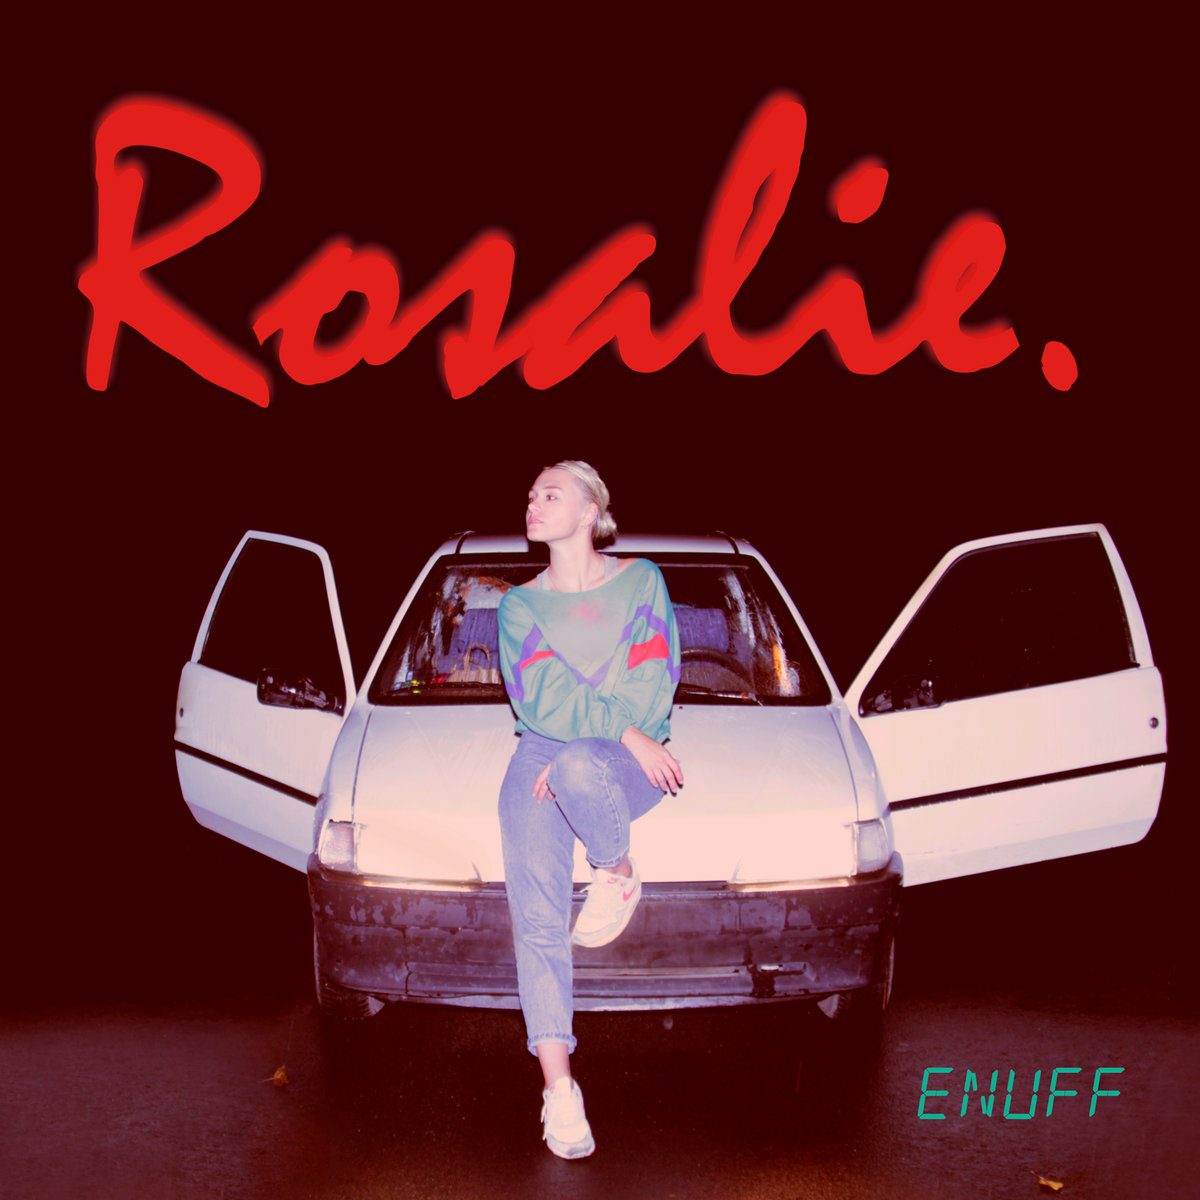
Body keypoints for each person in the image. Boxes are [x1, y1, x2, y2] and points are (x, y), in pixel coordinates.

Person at [497, 460, 683, 1159]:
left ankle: (617, 868)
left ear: (589, 511)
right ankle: (560, 1089)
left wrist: (618, 738)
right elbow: (542, 696)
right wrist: (592, 737)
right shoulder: (519, 605)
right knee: (536, 917)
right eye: (530, 495)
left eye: (551, 494)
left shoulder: (642, 581)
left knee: (579, 764)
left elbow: (652, 673)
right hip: (543, 749)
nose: (534, 503)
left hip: (625, 757)